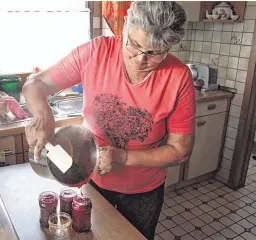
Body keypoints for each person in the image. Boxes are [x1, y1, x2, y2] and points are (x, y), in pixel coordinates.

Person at [23, 2, 195, 239]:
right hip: (93, 180)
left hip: (143, 193)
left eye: (154, 53)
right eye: (134, 45)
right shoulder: (96, 52)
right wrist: (43, 117)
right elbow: (35, 84)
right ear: (125, 26)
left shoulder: (178, 77)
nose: (140, 60)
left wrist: (124, 157)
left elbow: (180, 151)